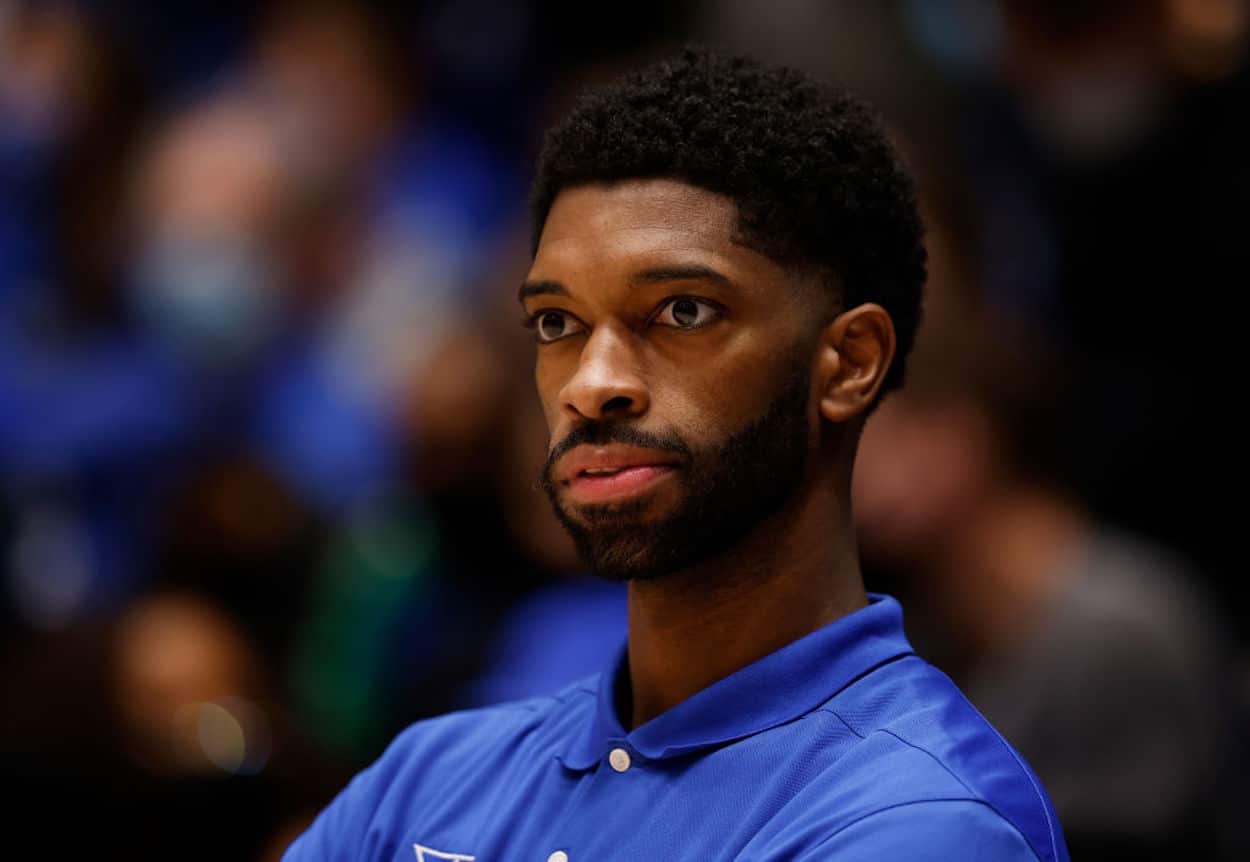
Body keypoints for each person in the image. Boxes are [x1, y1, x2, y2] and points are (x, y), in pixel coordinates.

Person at [284, 48, 1070, 861]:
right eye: (557, 323)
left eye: (682, 311)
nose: (591, 384)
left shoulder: (921, 821)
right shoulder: (424, 781)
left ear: (848, 363)